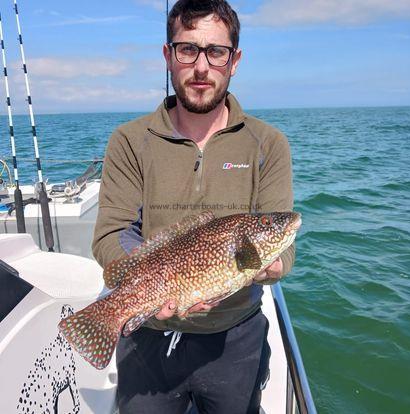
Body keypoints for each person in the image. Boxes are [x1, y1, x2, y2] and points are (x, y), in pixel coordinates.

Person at [92, 0, 295, 413]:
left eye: (216, 52)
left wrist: (274, 265)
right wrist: (152, 283)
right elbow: (113, 234)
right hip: (147, 338)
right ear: (168, 55)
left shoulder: (268, 144)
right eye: (188, 49)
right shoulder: (130, 140)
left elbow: (284, 249)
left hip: (234, 340)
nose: (201, 67)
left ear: (234, 60)